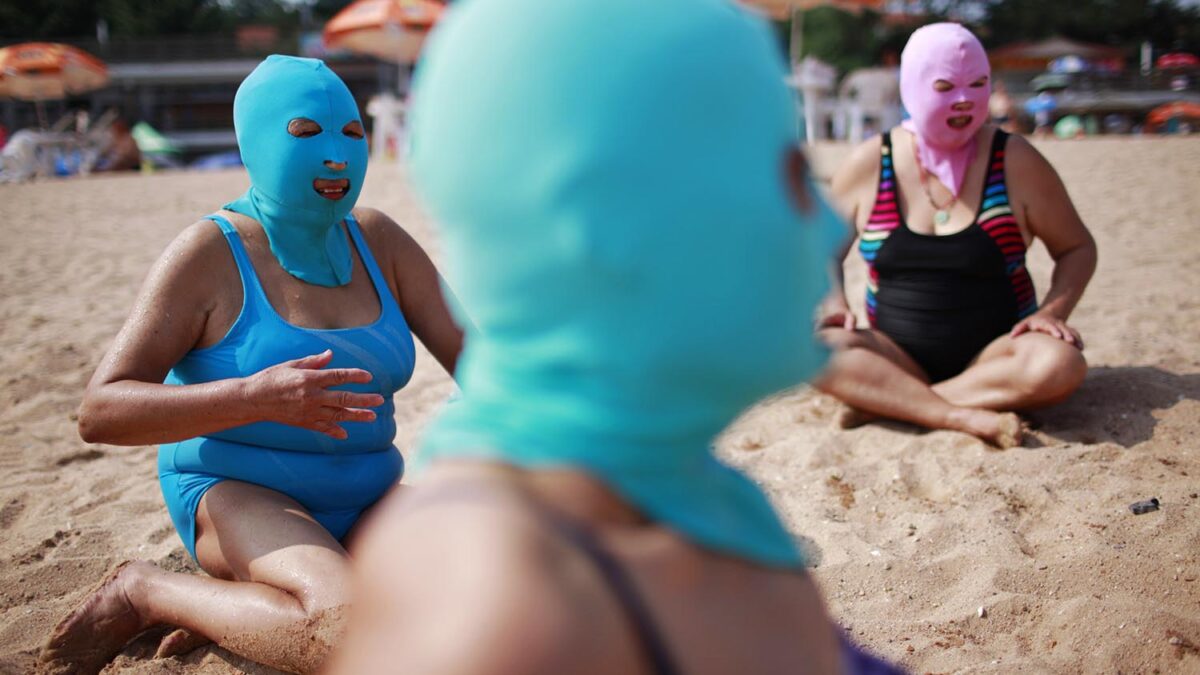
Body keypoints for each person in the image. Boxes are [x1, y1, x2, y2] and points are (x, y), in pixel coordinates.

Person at [328, 1, 900, 674]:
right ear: (614, 225)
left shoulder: (695, 496)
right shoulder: (497, 611)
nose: (835, 228)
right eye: (789, 175)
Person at [39, 55, 463, 674]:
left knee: (518, 585)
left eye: (351, 133)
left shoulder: (381, 241)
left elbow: (485, 368)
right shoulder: (210, 252)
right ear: (258, 139)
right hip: (240, 492)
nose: (337, 155)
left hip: (369, 495)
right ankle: (148, 591)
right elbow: (100, 412)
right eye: (305, 133)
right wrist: (253, 397)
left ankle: (240, 612)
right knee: (345, 638)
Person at [819, 23, 1097, 447]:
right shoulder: (873, 161)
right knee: (815, 352)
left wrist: (1052, 313)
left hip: (998, 357)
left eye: (978, 84)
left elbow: (1076, 247)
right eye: (945, 86)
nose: (965, 99)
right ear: (912, 87)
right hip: (893, 355)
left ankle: (887, 403)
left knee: (1061, 364)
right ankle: (957, 414)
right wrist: (835, 302)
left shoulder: (1015, 160)